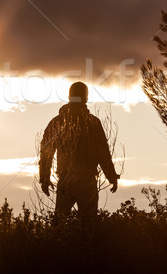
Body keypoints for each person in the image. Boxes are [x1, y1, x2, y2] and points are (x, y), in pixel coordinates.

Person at [39, 81, 119, 220]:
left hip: (66, 180)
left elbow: (46, 153)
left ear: (69, 97)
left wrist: (45, 178)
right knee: (88, 226)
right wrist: (111, 176)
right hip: (86, 180)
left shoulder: (57, 122)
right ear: (86, 98)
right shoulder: (93, 122)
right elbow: (103, 153)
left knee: (60, 224)